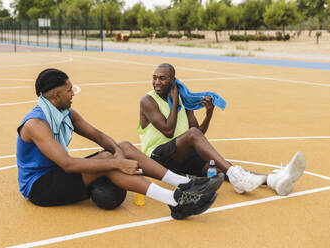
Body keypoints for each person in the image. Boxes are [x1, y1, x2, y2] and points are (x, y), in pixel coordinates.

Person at [16, 68, 225, 220]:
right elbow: (68, 164)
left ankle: (184, 184)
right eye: (69, 90)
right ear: (55, 95)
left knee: (123, 146)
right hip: (41, 186)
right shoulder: (36, 123)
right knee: (108, 161)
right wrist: (117, 163)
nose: (73, 93)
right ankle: (177, 200)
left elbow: (97, 134)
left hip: (59, 174)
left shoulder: (65, 112)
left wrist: (118, 153)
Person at [137, 63, 306, 196]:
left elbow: (197, 134)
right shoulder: (148, 100)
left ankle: (273, 180)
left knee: (219, 167)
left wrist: (209, 114)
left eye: (162, 78)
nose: (157, 82)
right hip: (157, 158)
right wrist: (174, 100)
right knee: (224, 166)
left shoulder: (183, 100)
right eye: (155, 78)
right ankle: (236, 175)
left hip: (180, 157)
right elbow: (168, 130)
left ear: (173, 81)